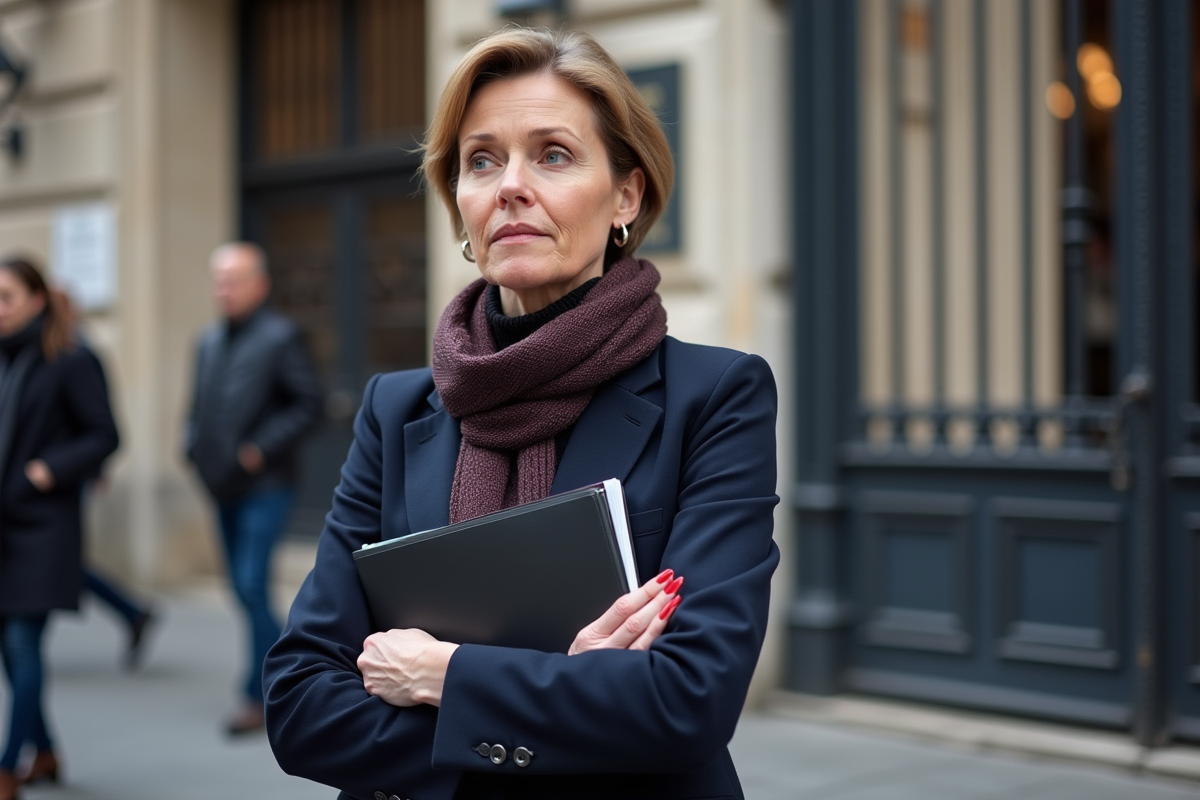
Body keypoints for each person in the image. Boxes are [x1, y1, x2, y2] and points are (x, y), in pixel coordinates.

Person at [264, 26, 779, 800]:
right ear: (460, 205)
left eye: (553, 155)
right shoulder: (395, 411)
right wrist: (563, 692)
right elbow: (302, 706)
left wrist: (445, 673)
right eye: (481, 160)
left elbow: (687, 700)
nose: (510, 185)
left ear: (627, 196)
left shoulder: (713, 398)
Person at [185, 242, 322, 736]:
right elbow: (197, 406)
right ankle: (291, 672)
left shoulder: (281, 337)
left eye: (235, 280)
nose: (225, 290)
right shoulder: (207, 341)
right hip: (220, 483)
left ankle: (263, 692)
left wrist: (259, 449)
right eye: (219, 280)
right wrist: (191, 446)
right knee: (241, 589)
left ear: (259, 285)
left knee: (249, 583)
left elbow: (309, 405)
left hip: (267, 484)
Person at [0, 256, 120, 800]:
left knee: (23, 645)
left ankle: (7, 767)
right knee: (10, 650)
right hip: (4, 525)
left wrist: (50, 468)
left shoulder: (70, 359)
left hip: (43, 526)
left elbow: (104, 434)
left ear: (36, 300)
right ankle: (44, 752)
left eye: (7, 297)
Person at [48, 285, 156, 671]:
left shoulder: (78, 353)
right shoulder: (35, 353)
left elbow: (98, 423)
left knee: (57, 560)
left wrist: (94, 469)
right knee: (57, 560)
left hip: (63, 476)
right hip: (40, 477)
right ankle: (132, 612)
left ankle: (132, 611)